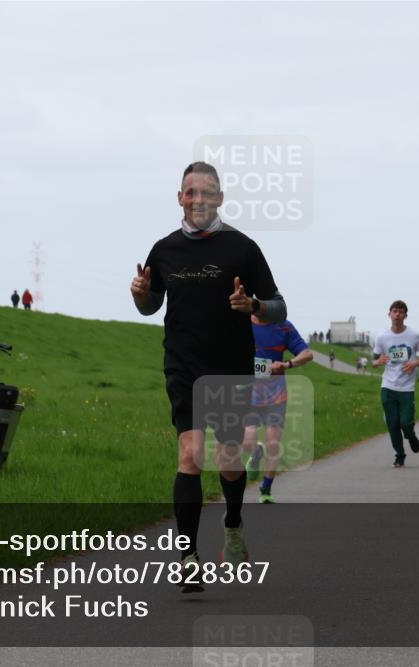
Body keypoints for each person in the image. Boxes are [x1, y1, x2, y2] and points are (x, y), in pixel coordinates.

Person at [131, 161, 286, 593]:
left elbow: (279, 306)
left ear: (220, 198)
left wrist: (252, 306)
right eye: (190, 192)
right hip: (183, 366)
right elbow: (150, 306)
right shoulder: (163, 251)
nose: (198, 199)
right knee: (190, 455)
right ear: (180, 198)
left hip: (232, 367)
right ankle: (187, 556)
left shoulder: (243, 248)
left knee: (230, 461)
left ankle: (233, 523)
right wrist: (142, 297)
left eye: (207, 192)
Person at [243, 316, 312, 503]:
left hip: (276, 395)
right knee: (247, 440)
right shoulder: (242, 322)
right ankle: (256, 452)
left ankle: (266, 489)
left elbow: (307, 353)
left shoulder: (284, 327)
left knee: (273, 443)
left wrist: (287, 364)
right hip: (249, 393)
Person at [372, 300, 419, 468]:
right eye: (394, 311)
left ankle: (410, 435)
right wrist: (378, 361)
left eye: (401, 311)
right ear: (389, 314)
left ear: (405, 315)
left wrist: (414, 364)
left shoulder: (415, 335)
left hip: (407, 388)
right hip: (388, 386)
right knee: (393, 423)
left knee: (406, 423)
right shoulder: (382, 337)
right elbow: (374, 361)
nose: (397, 314)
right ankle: (399, 455)